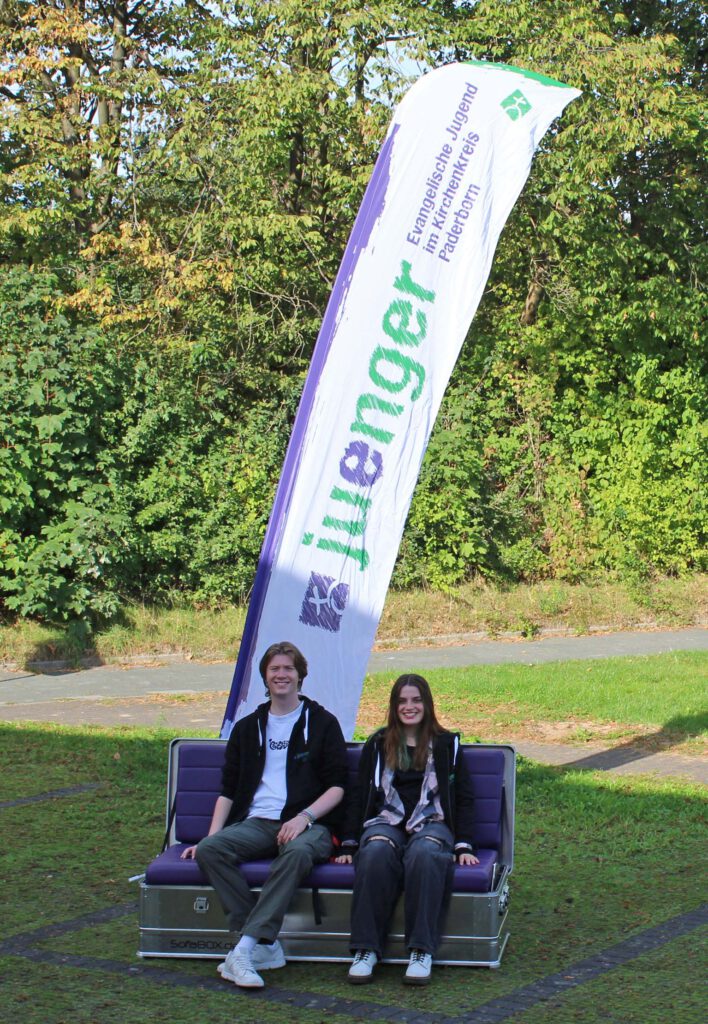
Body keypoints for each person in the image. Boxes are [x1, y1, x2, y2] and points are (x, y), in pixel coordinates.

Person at [181, 640, 348, 989]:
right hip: (258, 823)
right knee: (212, 850)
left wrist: (304, 817)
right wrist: (209, 837)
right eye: (275, 669)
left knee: (299, 852)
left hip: (310, 823)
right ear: (266, 677)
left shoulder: (321, 723)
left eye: (288, 668)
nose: (282, 675)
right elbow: (228, 790)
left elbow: (338, 787)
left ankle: (243, 949)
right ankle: (265, 944)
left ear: (300, 675)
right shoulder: (248, 728)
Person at [335, 672, 478, 986]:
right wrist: (348, 843)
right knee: (373, 852)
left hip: (433, 822)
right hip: (387, 822)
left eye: (416, 700)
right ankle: (366, 950)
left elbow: (463, 797)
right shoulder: (377, 744)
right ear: (393, 706)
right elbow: (360, 795)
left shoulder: (446, 744)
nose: (409, 706)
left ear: (426, 704)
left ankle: (420, 950)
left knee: (425, 853)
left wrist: (464, 844)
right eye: (402, 701)